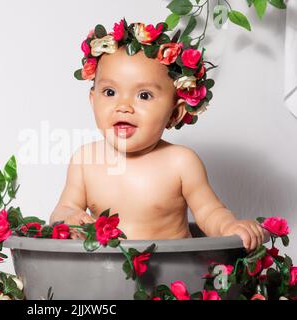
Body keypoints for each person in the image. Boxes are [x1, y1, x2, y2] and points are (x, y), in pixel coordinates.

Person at [49, 19, 265, 251]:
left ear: (175, 113)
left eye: (144, 95)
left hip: (172, 276)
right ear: (93, 101)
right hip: (103, 276)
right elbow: (62, 210)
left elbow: (208, 211)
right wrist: (70, 217)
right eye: (110, 92)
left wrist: (229, 227)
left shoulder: (181, 162)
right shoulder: (85, 160)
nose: (123, 106)